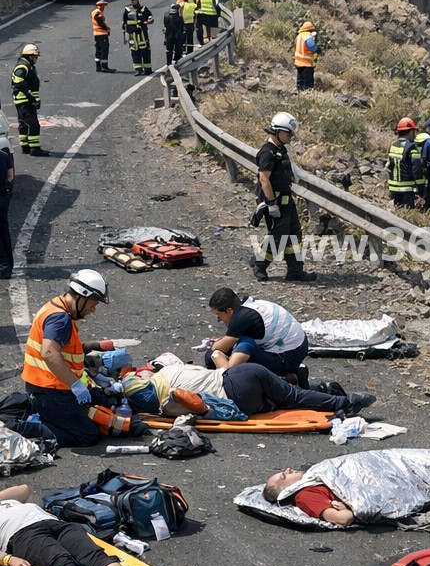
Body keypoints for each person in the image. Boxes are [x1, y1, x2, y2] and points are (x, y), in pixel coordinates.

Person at [0, 484, 170, 566]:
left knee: (94, 556)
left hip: (54, 523)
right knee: (62, 563)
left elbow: (24, 489)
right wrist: (10, 559)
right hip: (21, 535)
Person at [22, 270, 115, 446]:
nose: (93, 310)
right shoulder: (61, 319)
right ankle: (29, 428)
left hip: (44, 388)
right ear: (83, 295)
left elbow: (66, 349)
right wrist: (76, 385)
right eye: (94, 303)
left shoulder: (55, 307)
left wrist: (96, 346)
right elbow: (49, 352)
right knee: (88, 435)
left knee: (101, 401)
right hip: (50, 392)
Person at [123, 361, 375, 418]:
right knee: (291, 395)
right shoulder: (168, 371)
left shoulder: (167, 405)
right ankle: (336, 397)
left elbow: (198, 407)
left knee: (286, 401)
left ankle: (338, 400)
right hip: (241, 373)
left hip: (241, 398)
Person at [250, 111, 316, 282]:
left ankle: (295, 271)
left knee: (294, 235)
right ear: (277, 132)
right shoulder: (267, 152)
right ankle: (259, 264)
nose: (291, 137)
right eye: (289, 133)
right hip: (275, 202)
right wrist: (271, 204)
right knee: (279, 237)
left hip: (286, 201)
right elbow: (264, 179)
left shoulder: (280, 150)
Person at [205, 287, 309, 376]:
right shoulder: (247, 308)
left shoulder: (241, 317)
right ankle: (291, 376)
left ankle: (285, 377)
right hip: (293, 348)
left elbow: (218, 348)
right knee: (233, 349)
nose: (218, 320)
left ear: (229, 310)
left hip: (287, 357)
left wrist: (217, 350)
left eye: (219, 315)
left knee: (217, 356)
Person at [262, 468, 356, 526]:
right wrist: (345, 509)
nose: (288, 469)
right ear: (286, 489)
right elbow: (342, 519)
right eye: (284, 476)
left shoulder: (310, 479)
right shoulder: (305, 496)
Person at [11, 43, 47, 156]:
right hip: (24, 101)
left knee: (23, 123)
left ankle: (25, 146)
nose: (36, 59)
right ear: (30, 56)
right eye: (35, 56)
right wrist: (31, 98)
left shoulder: (27, 66)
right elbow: (17, 82)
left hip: (24, 101)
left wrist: (36, 100)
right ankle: (35, 149)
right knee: (34, 124)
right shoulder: (23, 66)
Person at [387, 117, 424, 209]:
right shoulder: (412, 147)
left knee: (397, 211)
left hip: (394, 188)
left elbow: (390, 166)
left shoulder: (393, 145)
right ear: (411, 132)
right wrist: (421, 189)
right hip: (407, 188)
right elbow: (417, 169)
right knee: (407, 214)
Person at [122, 0, 154, 76]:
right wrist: (125, 35)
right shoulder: (127, 10)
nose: (133, 2)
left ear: (138, 0)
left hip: (142, 35)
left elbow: (150, 17)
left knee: (146, 52)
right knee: (135, 53)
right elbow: (124, 22)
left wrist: (149, 21)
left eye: (134, 0)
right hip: (132, 35)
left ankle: (148, 69)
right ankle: (138, 69)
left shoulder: (143, 9)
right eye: (132, 0)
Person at [0, 134, 13, 277]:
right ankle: (9, 263)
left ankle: (3, 267)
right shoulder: (4, 156)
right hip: (3, 198)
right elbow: (10, 177)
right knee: (4, 232)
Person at [293, 20, 318, 92]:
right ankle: (307, 93)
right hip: (306, 62)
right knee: (308, 81)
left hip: (298, 62)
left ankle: (299, 92)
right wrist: (317, 49)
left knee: (300, 79)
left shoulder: (299, 36)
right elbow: (311, 46)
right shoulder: (308, 36)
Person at [91, 0, 114, 73]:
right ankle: (104, 67)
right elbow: (100, 22)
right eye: (103, 5)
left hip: (97, 34)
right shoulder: (98, 13)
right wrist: (107, 29)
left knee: (98, 50)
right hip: (101, 34)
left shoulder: (96, 12)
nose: (104, 7)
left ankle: (98, 67)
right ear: (99, 6)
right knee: (104, 50)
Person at [163, 2, 185, 68]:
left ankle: (168, 63)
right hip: (177, 36)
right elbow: (182, 27)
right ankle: (177, 62)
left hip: (168, 35)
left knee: (169, 50)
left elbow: (165, 25)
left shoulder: (166, 15)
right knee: (178, 50)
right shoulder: (179, 17)